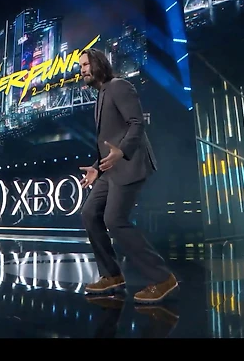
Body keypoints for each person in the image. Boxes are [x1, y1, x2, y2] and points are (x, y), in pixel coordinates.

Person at [77, 48, 178, 304]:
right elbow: (110, 140)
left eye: (86, 64)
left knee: (114, 219)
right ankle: (111, 275)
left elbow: (136, 123)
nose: (82, 70)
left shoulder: (119, 86)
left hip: (130, 163)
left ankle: (163, 278)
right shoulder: (101, 94)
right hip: (110, 168)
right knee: (89, 213)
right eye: (81, 67)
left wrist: (121, 152)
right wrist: (97, 167)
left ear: (99, 63)